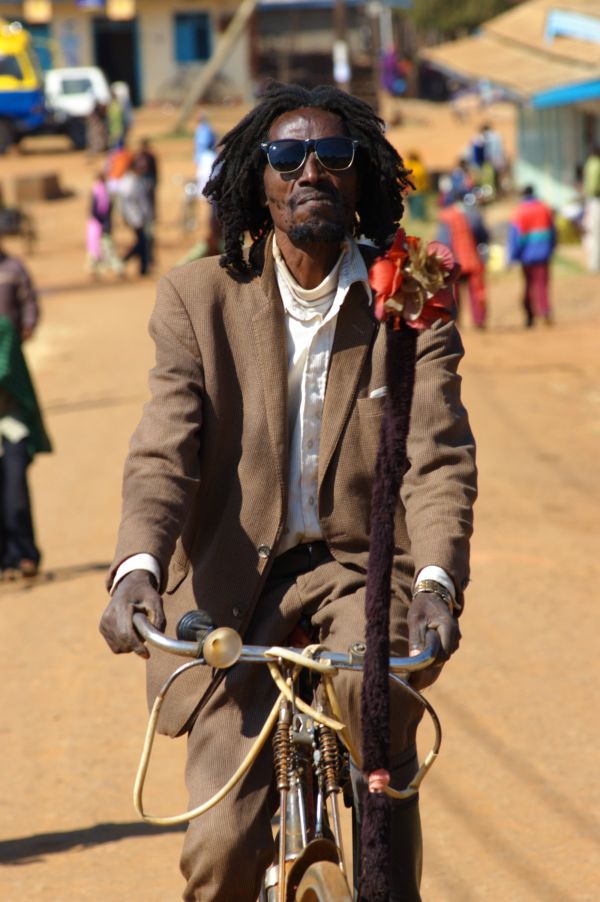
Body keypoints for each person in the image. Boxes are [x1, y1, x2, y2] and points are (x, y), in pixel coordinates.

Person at [99, 82, 477, 902]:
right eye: (285, 154)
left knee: (376, 715)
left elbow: (437, 455)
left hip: (362, 573)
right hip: (236, 592)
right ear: (255, 181)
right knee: (221, 852)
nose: (310, 168)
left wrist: (441, 583)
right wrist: (136, 566)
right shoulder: (196, 300)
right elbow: (165, 449)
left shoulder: (410, 299)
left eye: (333, 153)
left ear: (362, 175)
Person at [0, 244, 51, 578]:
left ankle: (25, 554)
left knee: (15, 486)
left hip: (11, 416)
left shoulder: (12, 269)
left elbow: (29, 302)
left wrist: (27, 328)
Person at [437, 185, 488, 329]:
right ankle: (479, 321)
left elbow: (443, 241)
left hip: (453, 261)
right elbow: (484, 236)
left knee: (453, 294)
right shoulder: (474, 215)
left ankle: (455, 321)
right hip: (473, 260)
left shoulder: (446, 216)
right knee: (477, 292)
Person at [507, 185, 556, 327]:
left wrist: (512, 257)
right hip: (543, 254)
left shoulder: (519, 212)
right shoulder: (544, 208)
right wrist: (551, 248)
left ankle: (530, 315)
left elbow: (514, 238)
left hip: (527, 256)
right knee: (542, 284)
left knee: (529, 285)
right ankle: (545, 311)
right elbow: (553, 232)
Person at [119, 158, 154, 276]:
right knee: (142, 242)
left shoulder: (138, 180)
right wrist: (125, 217)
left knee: (143, 241)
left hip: (141, 217)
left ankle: (143, 268)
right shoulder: (128, 182)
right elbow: (125, 202)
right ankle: (125, 259)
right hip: (135, 218)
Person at [86, 172, 124, 277]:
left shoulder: (98, 193)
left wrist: (99, 223)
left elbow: (95, 212)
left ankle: (118, 268)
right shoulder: (107, 193)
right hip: (105, 226)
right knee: (103, 249)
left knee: (107, 249)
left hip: (100, 227)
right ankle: (95, 269)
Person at [582, 146, 600, 271]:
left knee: (592, 233)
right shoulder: (596, 165)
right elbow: (594, 187)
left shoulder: (588, 164)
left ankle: (593, 264)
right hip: (596, 200)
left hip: (590, 201)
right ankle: (595, 265)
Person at [403, 150, 430, 221]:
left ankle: (413, 220)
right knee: (418, 207)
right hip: (418, 190)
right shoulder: (419, 166)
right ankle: (418, 220)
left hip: (408, 190)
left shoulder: (406, 164)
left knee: (412, 207)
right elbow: (423, 177)